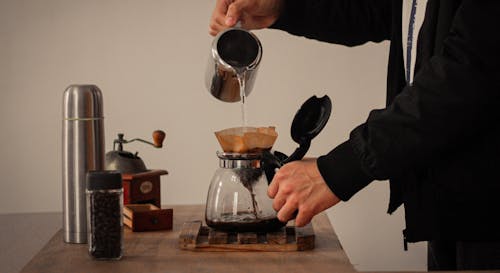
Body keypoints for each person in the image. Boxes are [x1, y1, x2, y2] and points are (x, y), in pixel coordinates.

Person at [209, 0, 500, 271]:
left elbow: (467, 75)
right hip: (448, 206)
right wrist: (284, 8)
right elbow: (377, 10)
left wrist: (338, 169)